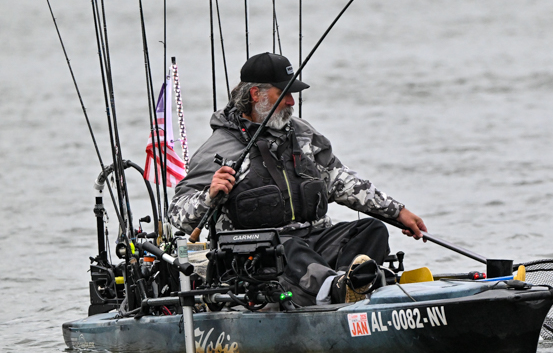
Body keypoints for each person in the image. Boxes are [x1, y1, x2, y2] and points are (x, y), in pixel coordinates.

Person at [167, 52, 426, 305]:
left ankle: (347, 285)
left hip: (315, 243)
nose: (292, 101)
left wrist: (397, 212)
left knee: (371, 229)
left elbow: (341, 181)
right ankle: (335, 289)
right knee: (284, 246)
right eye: (284, 93)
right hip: (258, 257)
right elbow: (178, 214)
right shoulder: (219, 149)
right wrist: (209, 196)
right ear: (256, 94)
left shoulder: (304, 135)